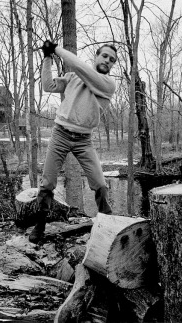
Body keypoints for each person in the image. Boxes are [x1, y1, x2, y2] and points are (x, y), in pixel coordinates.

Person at [29, 40, 117, 244]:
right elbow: (48, 86)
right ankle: (40, 225)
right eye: (104, 56)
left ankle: (108, 222)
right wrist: (47, 57)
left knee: (100, 185)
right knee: (47, 183)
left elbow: (80, 66)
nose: (108, 61)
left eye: (112, 60)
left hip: (84, 140)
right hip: (60, 134)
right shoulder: (72, 77)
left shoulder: (107, 84)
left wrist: (57, 49)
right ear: (97, 56)